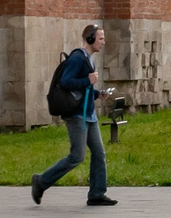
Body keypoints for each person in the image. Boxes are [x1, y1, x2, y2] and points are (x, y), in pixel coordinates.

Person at [30, 23, 115, 206]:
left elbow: (83, 89)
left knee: (99, 153)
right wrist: (88, 80)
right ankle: (41, 181)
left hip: (88, 114)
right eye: (100, 38)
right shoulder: (77, 58)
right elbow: (66, 82)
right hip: (76, 115)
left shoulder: (88, 59)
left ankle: (97, 194)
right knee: (77, 156)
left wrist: (97, 93)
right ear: (90, 39)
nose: (103, 42)